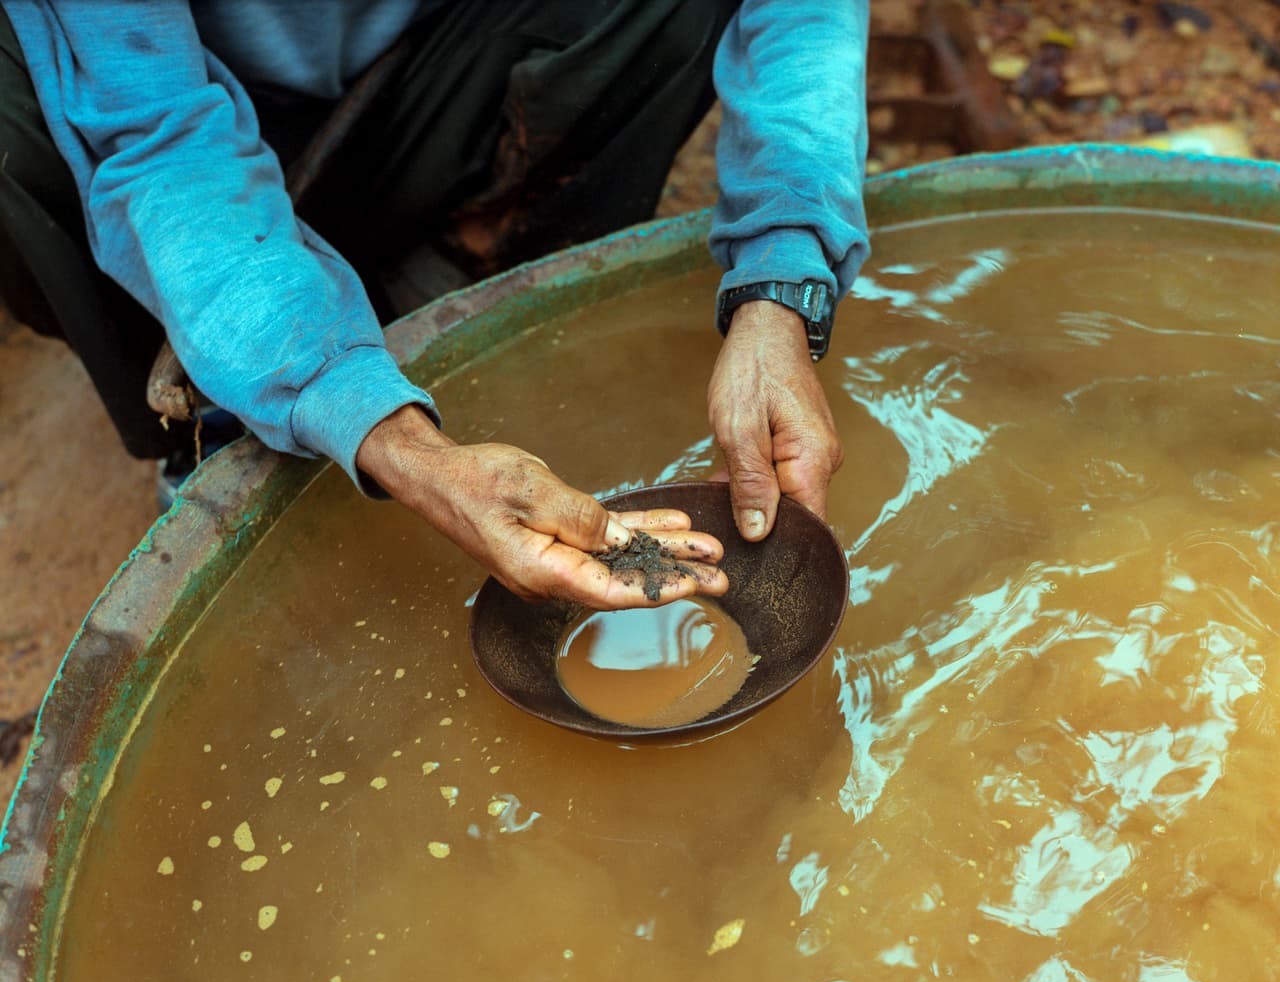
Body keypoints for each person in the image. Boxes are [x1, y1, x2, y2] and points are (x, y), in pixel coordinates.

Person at [0, 0, 869, 608]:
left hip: (438, 64)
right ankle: (222, 412)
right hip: (195, 116)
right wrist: (399, 444)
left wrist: (778, 284)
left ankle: (453, 287)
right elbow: (153, 134)